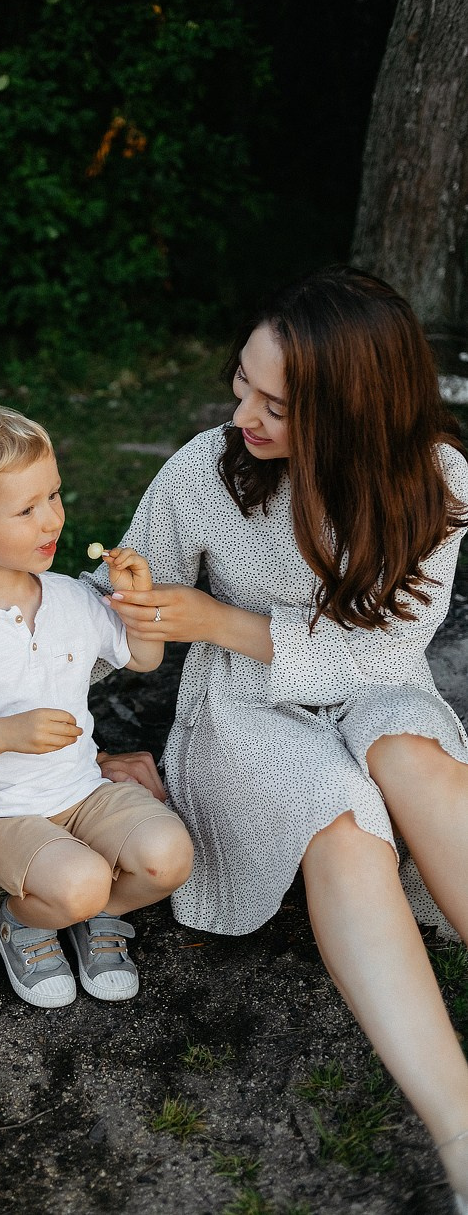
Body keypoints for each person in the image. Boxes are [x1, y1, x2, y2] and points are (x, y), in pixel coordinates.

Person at [86, 265, 468, 1211]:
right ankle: (462, 1131)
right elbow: (113, 623)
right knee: (338, 820)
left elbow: (388, 652)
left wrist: (217, 618)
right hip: (240, 708)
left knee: (410, 760)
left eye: (278, 404)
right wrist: (49, 717)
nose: (245, 413)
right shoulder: (206, 470)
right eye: (242, 383)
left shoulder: (438, 479)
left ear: (352, 415)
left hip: (378, 685)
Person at [0, 405, 193, 1009]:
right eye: (26, 510)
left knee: (170, 857)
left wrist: (138, 604)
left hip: (83, 788)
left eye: (54, 496)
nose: (52, 519)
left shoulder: (68, 598)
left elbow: (143, 661)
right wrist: (4, 732)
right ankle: (26, 923)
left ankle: (97, 914)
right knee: (79, 881)